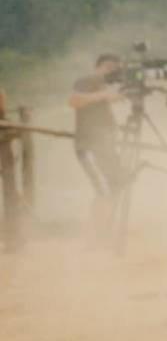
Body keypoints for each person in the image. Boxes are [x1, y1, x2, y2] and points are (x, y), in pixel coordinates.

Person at [68, 53, 128, 232]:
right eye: (113, 68)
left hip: (103, 144)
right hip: (90, 145)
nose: (115, 72)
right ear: (103, 66)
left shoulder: (102, 85)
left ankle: (105, 230)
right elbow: (74, 101)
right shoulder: (88, 80)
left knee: (115, 185)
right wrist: (104, 95)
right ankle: (96, 234)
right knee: (103, 190)